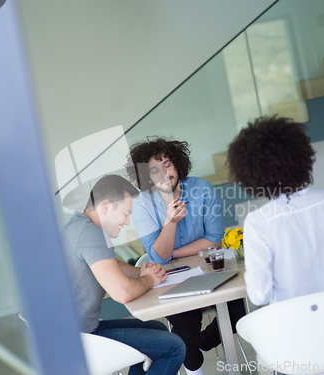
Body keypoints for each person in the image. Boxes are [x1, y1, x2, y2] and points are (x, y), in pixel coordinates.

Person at [126, 137, 246, 375]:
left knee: (238, 309)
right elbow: (157, 258)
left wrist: (170, 253)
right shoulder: (141, 203)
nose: (163, 172)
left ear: (177, 164)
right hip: (170, 279)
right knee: (184, 323)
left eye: (167, 164)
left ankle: (205, 341)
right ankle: (194, 369)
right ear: (147, 177)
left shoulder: (202, 189)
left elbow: (214, 238)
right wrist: (170, 223)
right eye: (154, 169)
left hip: (209, 269)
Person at [226, 116, 324, 306]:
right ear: (301, 156)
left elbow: (259, 295)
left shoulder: (258, 221)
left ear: (249, 174)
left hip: (295, 330)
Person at [61, 174, 185, 375]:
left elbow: (114, 265)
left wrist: (143, 272)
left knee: (158, 329)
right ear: (106, 206)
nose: (127, 222)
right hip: (81, 341)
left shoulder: (78, 226)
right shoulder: (91, 233)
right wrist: (149, 279)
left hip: (77, 334)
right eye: (126, 214)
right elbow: (122, 293)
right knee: (173, 347)